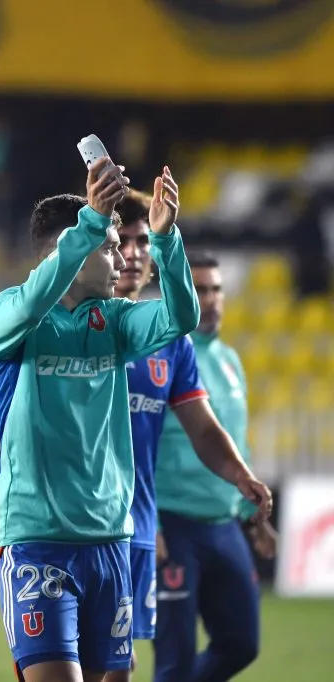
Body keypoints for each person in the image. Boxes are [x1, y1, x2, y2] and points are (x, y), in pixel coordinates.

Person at [0, 160, 198, 682]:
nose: (123, 257)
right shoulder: (7, 316)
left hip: (110, 538)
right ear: (71, 253)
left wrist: (167, 240)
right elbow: (35, 299)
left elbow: (181, 317)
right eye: (108, 247)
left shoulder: (116, 322)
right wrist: (90, 224)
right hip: (38, 538)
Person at [105, 195, 272, 682]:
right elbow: (1, 426)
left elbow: (206, 427)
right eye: (124, 242)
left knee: (126, 663)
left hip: (196, 521)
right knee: (98, 662)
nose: (209, 300)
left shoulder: (193, 351)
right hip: (150, 521)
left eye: (142, 243)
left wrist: (244, 487)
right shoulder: (67, 325)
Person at [152, 251, 278, 682]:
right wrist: (146, 518)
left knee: (242, 643)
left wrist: (253, 518)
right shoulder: (164, 352)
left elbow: (235, 442)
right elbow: (136, 441)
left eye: (215, 289)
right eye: (199, 289)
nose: (210, 299)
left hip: (224, 524)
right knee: (175, 658)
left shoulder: (229, 360)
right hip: (173, 523)